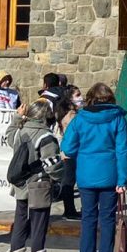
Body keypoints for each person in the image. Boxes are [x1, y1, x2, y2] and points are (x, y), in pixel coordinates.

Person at [60, 83, 127, 252]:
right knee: (108, 220)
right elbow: (123, 150)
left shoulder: (80, 119)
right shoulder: (118, 119)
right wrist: (123, 179)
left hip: (86, 175)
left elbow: (68, 147)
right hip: (110, 175)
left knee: (88, 219)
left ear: (91, 98)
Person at [5, 99, 66, 252]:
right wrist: (59, 179)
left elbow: (8, 134)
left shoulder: (19, 132)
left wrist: (17, 116)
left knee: (21, 221)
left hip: (20, 184)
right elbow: (52, 165)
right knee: (39, 223)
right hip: (39, 183)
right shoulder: (45, 137)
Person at [55, 85, 82, 219]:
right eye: (77, 95)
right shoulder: (72, 115)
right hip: (71, 152)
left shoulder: (68, 113)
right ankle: (69, 211)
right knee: (69, 181)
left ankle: (70, 210)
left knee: (69, 181)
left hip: (68, 152)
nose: (80, 98)